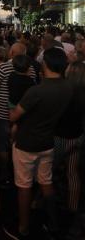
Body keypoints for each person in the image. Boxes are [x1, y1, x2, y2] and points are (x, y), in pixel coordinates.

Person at [6, 48, 72, 239]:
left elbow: (14, 115)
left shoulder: (37, 90)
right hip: (47, 141)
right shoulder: (67, 88)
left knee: (24, 185)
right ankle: (52, 223)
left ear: (46, 64)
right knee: (46, 181)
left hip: (26, 143)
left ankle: (23, 227)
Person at [0, 43, 36, 186]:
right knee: (19, 142)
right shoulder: (31, 69)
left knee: (3, 143)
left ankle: (5, 171)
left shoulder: (2, 68)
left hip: (3, 112)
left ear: (11, 53)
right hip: (24, 113)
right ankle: (19, 171)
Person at [54, 61, 85, 214]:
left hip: (60, 137)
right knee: (72, 173)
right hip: (78, 137)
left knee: (48, 172)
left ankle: (42, 202)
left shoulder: (62, 90)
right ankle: (73, 207)